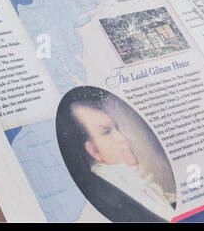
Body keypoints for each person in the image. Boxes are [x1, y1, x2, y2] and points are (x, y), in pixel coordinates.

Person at [57, 88, 175, 222]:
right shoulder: (108, 198)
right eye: (106, 132)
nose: (122, 138)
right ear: (94, 151)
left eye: (117, 128)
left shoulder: (133, 184)